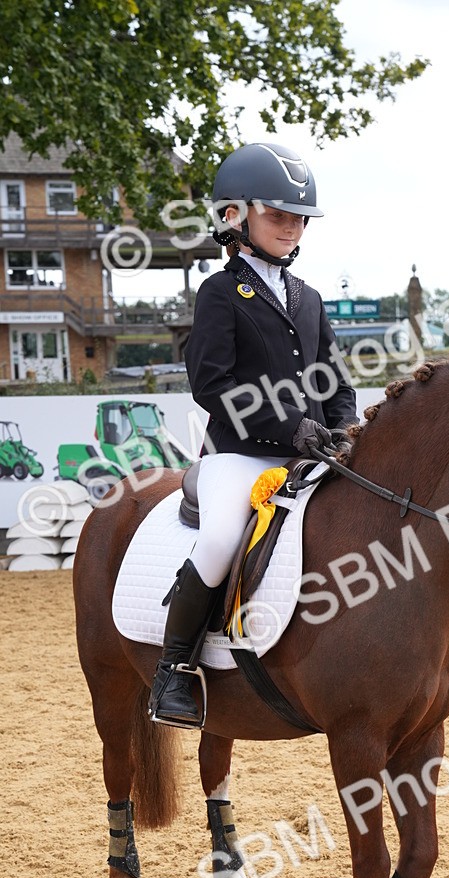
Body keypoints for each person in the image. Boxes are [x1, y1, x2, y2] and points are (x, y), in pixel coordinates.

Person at [148, 142, 357, 728]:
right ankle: (174, 669)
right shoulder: (219, 293)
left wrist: (343, 431)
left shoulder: (309, 298)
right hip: (238, 456)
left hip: (310, 455)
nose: (292, 228)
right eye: (279, 215)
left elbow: (335, 382)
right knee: (219, 540)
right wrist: (292, 426)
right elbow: (211, 385)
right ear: (234, 216)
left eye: (300, 219)